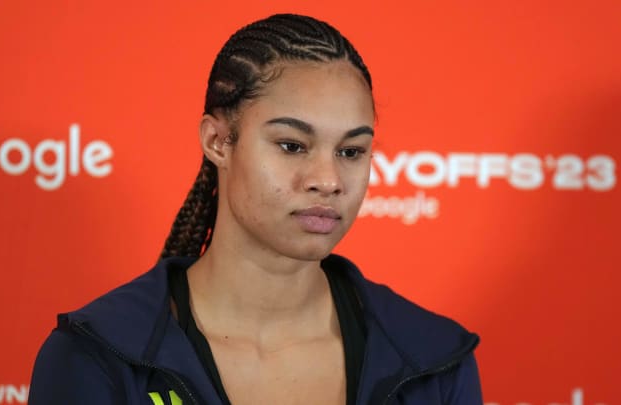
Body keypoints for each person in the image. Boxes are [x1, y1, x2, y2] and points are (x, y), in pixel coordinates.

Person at [29, 13, 482, 405]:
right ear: (218, 141)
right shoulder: (99, 355)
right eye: (292, 145)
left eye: (351, 151)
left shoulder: (433, 358)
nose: (327, 180)